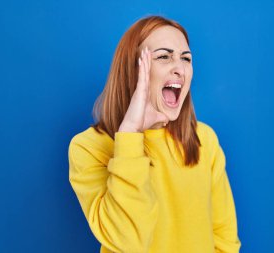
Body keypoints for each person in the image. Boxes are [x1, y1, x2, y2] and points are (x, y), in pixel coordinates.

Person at [68, 15, 241, 253]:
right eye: (163, 56)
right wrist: (130, 135)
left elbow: (225, 238)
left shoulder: (204, 140)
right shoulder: (88, 148)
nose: (179, 68)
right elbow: (128, 242)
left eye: (186, 58)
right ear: (132, 70)